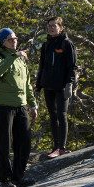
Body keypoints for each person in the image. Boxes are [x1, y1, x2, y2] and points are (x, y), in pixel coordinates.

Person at [0, 28, 38, 187]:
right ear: (3, 42)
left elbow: (27, 84)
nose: (14, 41)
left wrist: (33, 104)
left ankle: (18, 177)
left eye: (15, 38)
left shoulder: (20, 59)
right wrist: (13, 56)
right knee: (5, 143)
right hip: (3, 106)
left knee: (24, 142)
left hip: (21, 106)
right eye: (10, 39)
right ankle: (5, 180)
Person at [36, 16, 77, 159]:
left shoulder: (66, 43)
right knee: (53, 117)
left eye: (54, 25)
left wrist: (69, 84)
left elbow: (72, 66)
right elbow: (42, 66)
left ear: (61, 27)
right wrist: (38, 86)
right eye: (49, 26)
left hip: (62, 86)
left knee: (61, 114)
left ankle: (62, 148)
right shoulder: (46, 45)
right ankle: (55, 147)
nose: (51, 28)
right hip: (48, 85)